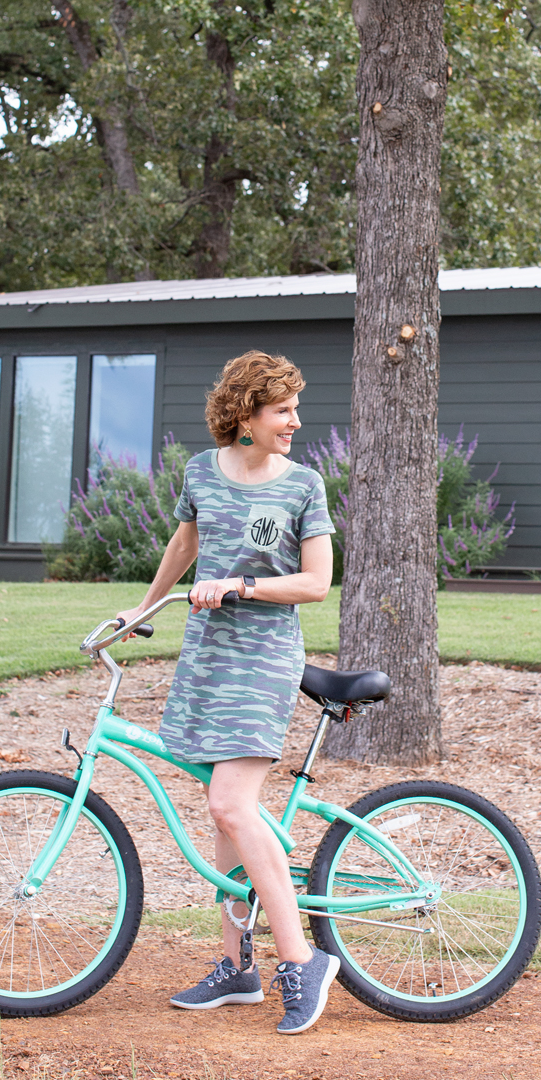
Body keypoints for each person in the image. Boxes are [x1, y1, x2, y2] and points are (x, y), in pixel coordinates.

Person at [122, 350, 338, 1035]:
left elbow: (314, 584)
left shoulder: (303, 485)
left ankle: (302, 960)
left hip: (265, 658)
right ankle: (237, 965)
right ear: (246, 413)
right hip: (208, 656)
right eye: (283, 410)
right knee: (224, 814)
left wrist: (241, 587)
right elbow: (183, 546)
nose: (295, 422)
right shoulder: (200, 472)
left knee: (230, 803)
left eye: (294, 410)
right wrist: (145, 608)